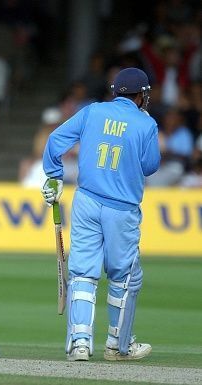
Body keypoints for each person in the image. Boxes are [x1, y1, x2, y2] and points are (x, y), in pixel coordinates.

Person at [41, 67, 160, 362]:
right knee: (124, 277)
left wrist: (54, 177)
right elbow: (150, 166)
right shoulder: (146, 124)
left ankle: (79, 344)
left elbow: (55, 140)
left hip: (87, 201)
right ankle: (118, 346)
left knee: (82, 271)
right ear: (141, 95)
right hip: (122, 208)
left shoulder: (92, 111)